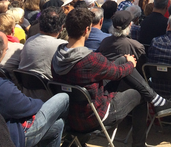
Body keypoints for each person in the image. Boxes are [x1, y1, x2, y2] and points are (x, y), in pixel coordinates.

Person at [51, 8, 148, 147]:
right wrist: (130, 64)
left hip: (69, 117)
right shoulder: (91, 60)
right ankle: (139, 144)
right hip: (95, 116)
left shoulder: (57, 55)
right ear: (87, 30)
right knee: (140, 94)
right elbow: (118, 73)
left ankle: (74, 142)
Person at [0, 30, 69, 147]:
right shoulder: (1, 88)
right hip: (8, 136)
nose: (6, 52)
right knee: (63, 97)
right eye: (5, 50)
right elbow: (30, 107)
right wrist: (43, 104)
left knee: (57, 125)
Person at [98, 9, 171, 118]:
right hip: (125, 87)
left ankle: (155, 102)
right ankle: (141, 126)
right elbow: (145, 70)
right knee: (141, 93)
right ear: (130, 25)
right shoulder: (136, 46)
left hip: (106, 85)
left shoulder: (104, 42)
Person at [19, 8, 67, 99]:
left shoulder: (29, 40)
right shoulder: (61, 46)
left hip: (26, 95)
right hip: (49, 98)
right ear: (61, 27)